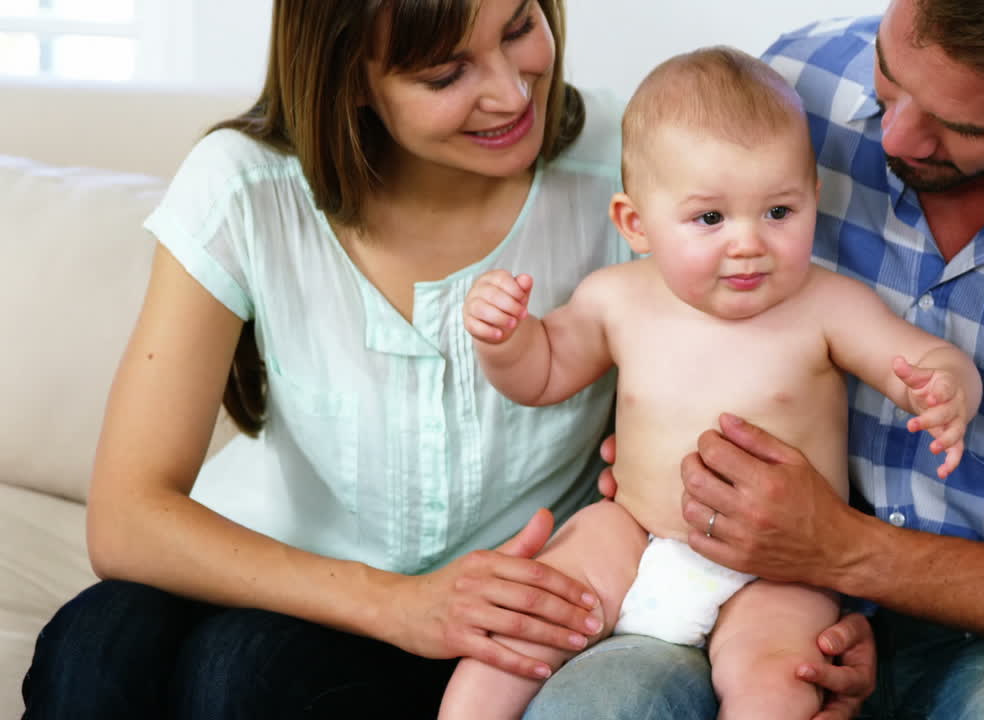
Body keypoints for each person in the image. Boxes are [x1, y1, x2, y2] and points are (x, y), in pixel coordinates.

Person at [523, 1, 984, 719]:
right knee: (599, 701)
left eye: (961, 125)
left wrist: (846, 555)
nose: (895, 138)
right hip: (745, 592)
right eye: (889, 76)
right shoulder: (798, 83)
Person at [20, 1, 635, 717]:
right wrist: (399, 604)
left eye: (521, 27)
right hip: (283, 578)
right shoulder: (245, 185)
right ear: (350, 79)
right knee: (97, 640)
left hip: (482, 640)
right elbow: (127, 518)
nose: (510, 90)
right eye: (445, 74)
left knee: (244, 674)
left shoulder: (631, 161)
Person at [444, 46, 981, 720]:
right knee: (520, 620)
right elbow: (544, 372)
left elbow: (922, 358)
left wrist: (944, 390)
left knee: (779, 680)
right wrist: (506, 339)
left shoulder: (827, 306)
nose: (749, 243)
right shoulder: (616, 298)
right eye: (710, 219)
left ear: (814, 197)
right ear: (635, 224)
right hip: (633, 533)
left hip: (778, 567)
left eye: (779, 212)